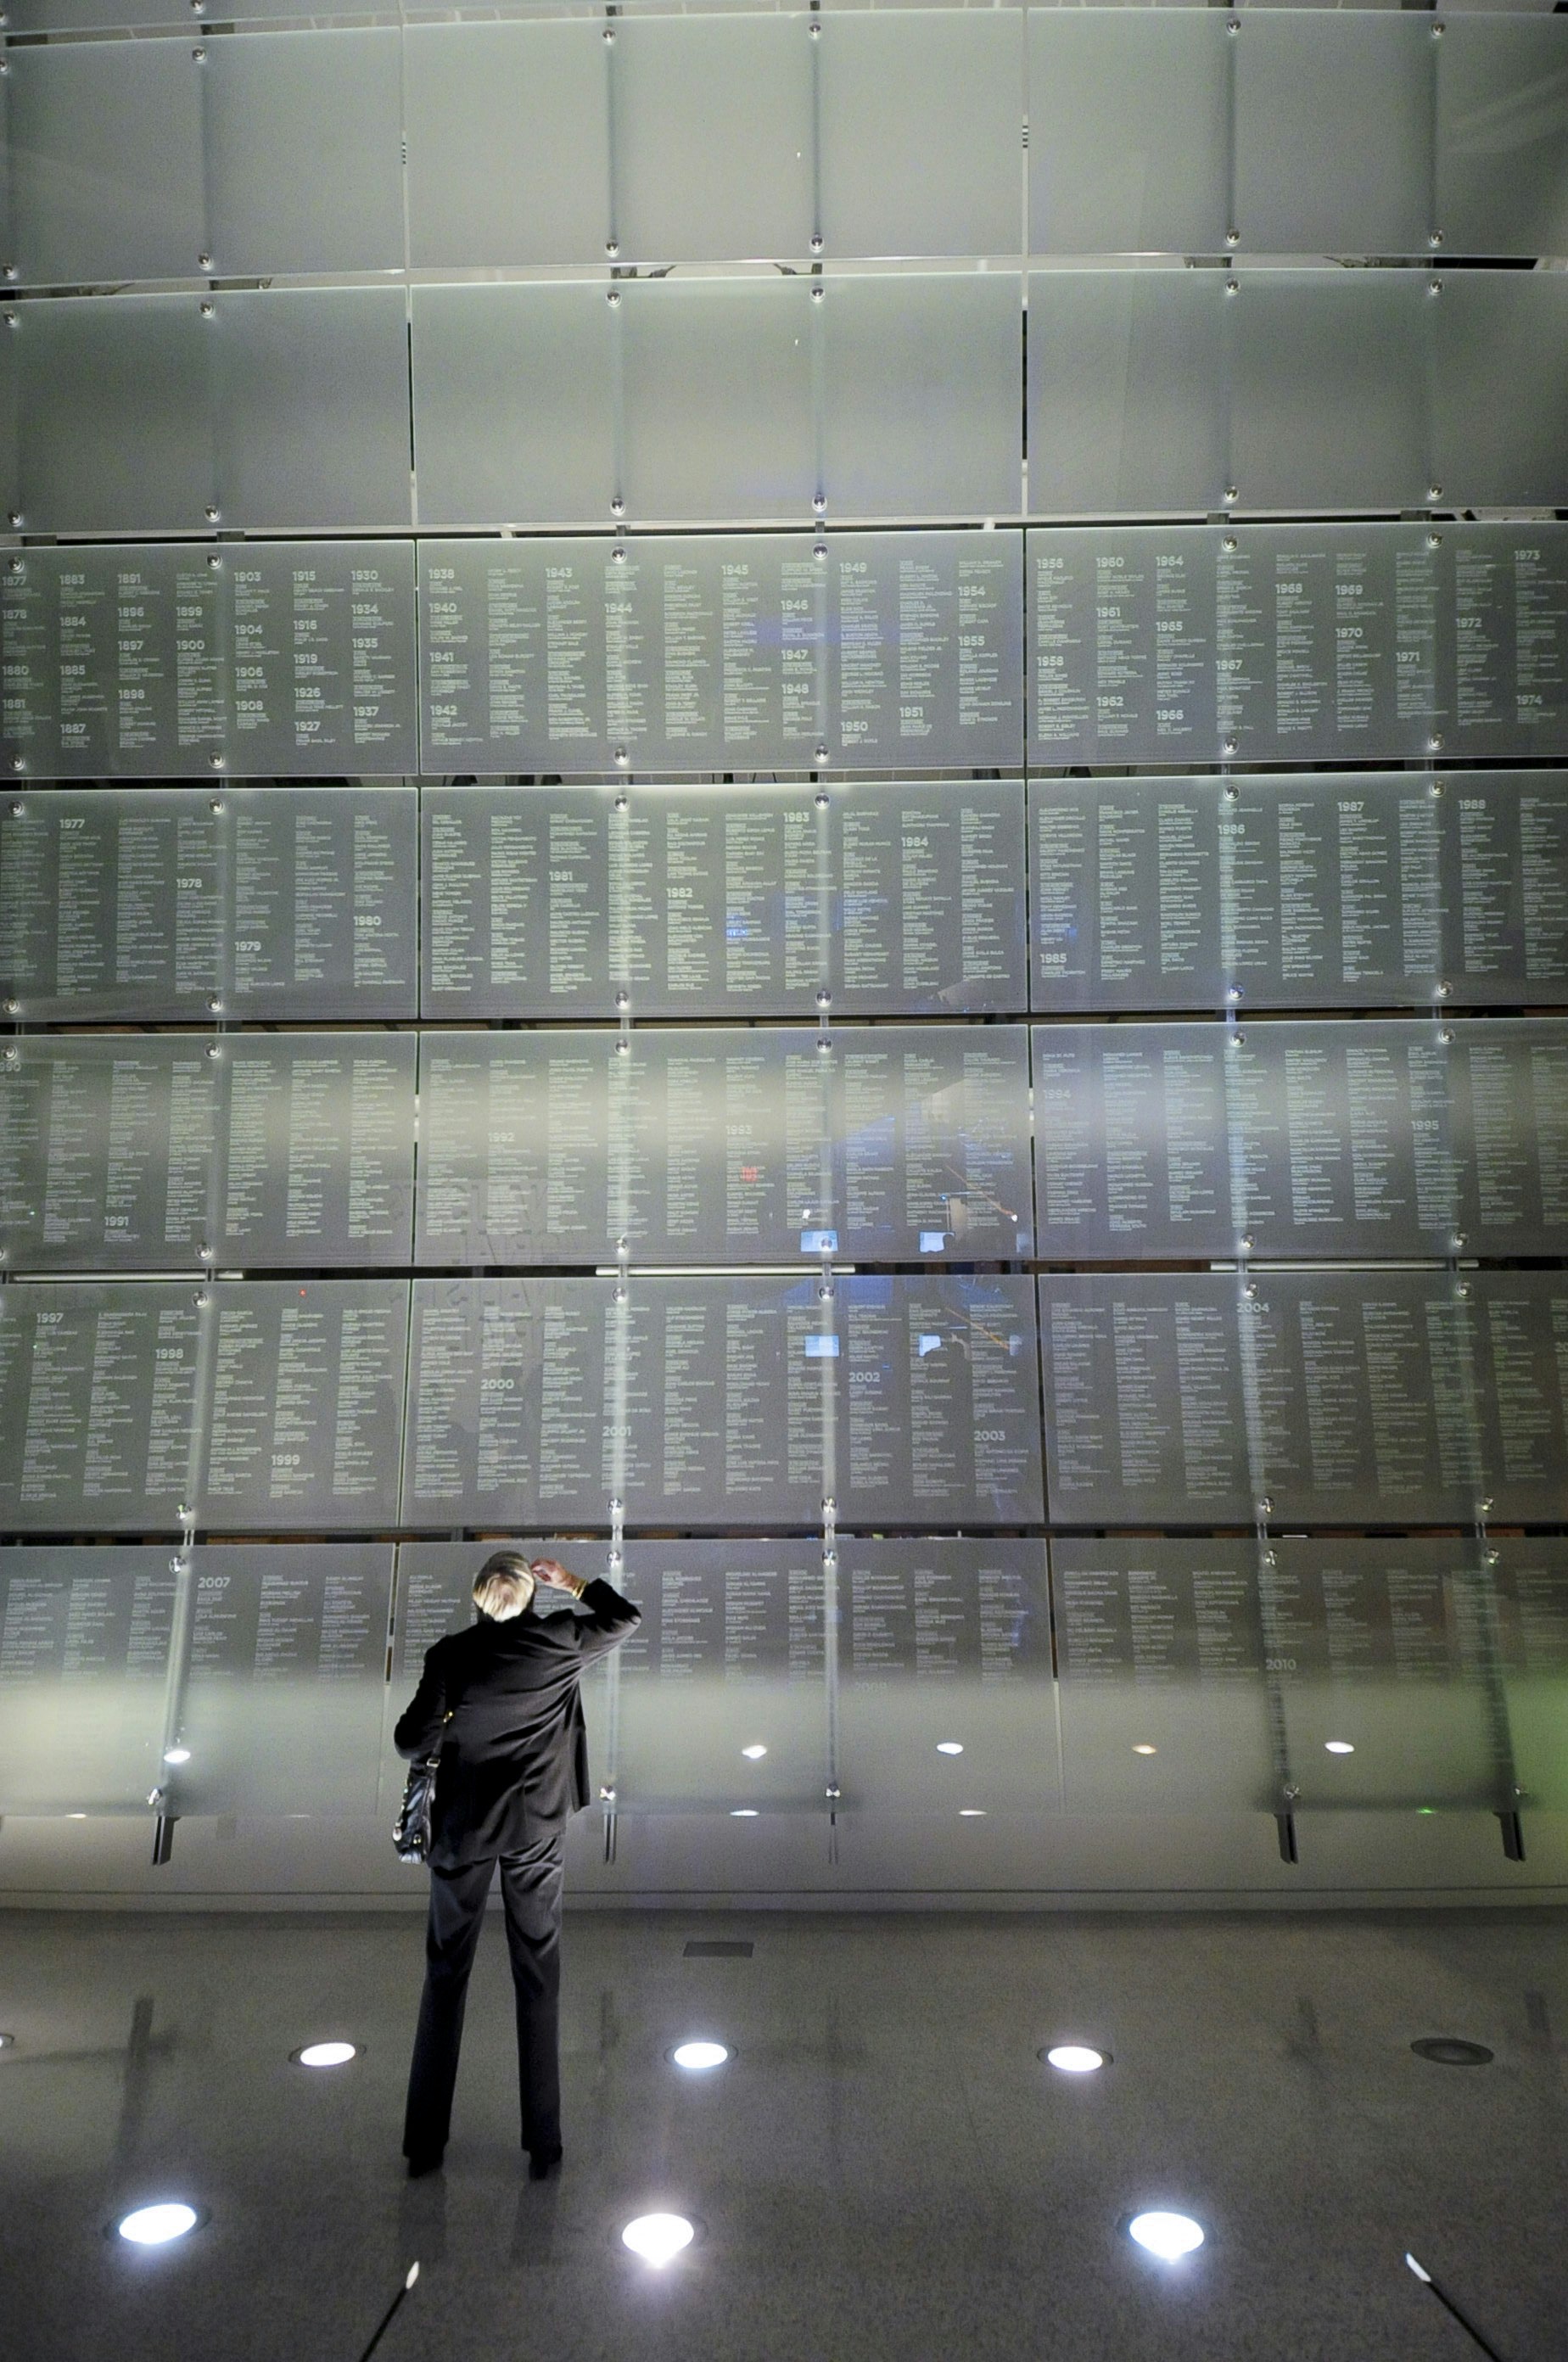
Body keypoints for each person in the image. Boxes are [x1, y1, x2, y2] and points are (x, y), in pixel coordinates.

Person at [395, 1548, 640, 2180]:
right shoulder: (559, 1641)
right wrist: (575, 1581)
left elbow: (409, 1741)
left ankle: (425, 2144)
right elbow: (623, 1618)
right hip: (534, 1827)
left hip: (462, 1831)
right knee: (537, 1974)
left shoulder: (450, 1657)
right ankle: (544, 2143)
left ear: (477, 1599)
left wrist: (451, 1725)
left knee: (445, 1977)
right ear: (535, 1595)